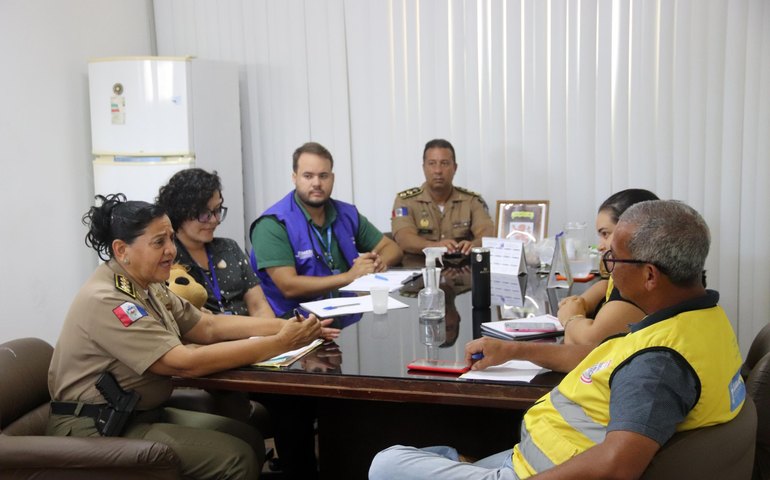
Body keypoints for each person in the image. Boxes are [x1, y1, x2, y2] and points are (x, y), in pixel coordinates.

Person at [370, 200, 746, 479]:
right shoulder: (701, 319)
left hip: (534, 473)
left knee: (385, 464)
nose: (607, 267)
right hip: (533, 456)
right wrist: (515, 350)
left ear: (649, 276)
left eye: (612, 260)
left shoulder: (659, 365)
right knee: (426, 456)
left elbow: (617, 466)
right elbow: (599, 357)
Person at [47, 193, 338, 480]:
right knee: (236, 458)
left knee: (248, 436)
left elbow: (207, 327)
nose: (171, 250)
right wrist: (280, 343)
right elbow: (183, 363)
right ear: (122, 250)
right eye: (159, 242)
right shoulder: (109, 299)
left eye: (171, 238)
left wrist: (294, 327)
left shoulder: (147, 285)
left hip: (136, 413)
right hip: (98, 426)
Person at [250, 141, 403, 318]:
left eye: (323, 176)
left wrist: (376, 263)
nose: (316, 183)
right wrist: (350, 276)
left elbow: (392, 249)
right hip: (295, 324)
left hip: (346, 317)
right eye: (308, 176)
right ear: (294, 177)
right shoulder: (272, 224)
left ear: (332, 178)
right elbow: (288, 286)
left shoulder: (346, 213)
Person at [157, 168, 274, 317]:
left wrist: (272, 334)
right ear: (180, 212)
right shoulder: (170, 258)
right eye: (204, 214)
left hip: (253, 334)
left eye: (217, 210)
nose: (214, 220)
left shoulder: (229, 248)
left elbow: (259, 305)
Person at [557, 188, 659, 345]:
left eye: (605, 234)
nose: (600, 246)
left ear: (633, 232)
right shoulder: (629, 274)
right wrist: (582, 302)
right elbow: (606, 285)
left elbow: (585, 343)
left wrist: (571, 318)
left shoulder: (638, 290)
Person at [391, 139, 495, 266]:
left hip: (463, 273)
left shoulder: (472, 201)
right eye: (432, 163)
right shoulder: (405, 201)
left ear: (455, 168)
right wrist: (434, 246)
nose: (438, 170)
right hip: (419, 271)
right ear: (424, 167)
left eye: (444, 163)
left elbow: (489, 235)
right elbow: (404, 239)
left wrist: (474, 245)